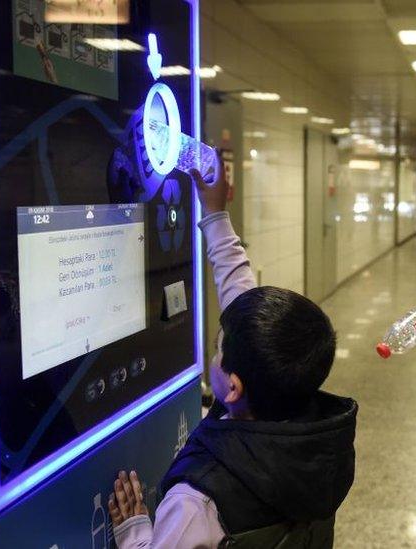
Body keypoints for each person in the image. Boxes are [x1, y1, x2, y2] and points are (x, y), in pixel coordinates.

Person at [108, 161, 358, 548]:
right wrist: (215, 213)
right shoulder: (317, 437)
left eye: (217, 348)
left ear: (234, 387)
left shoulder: (197, 502)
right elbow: (243, 301)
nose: (214, 349)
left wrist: (135, 532)